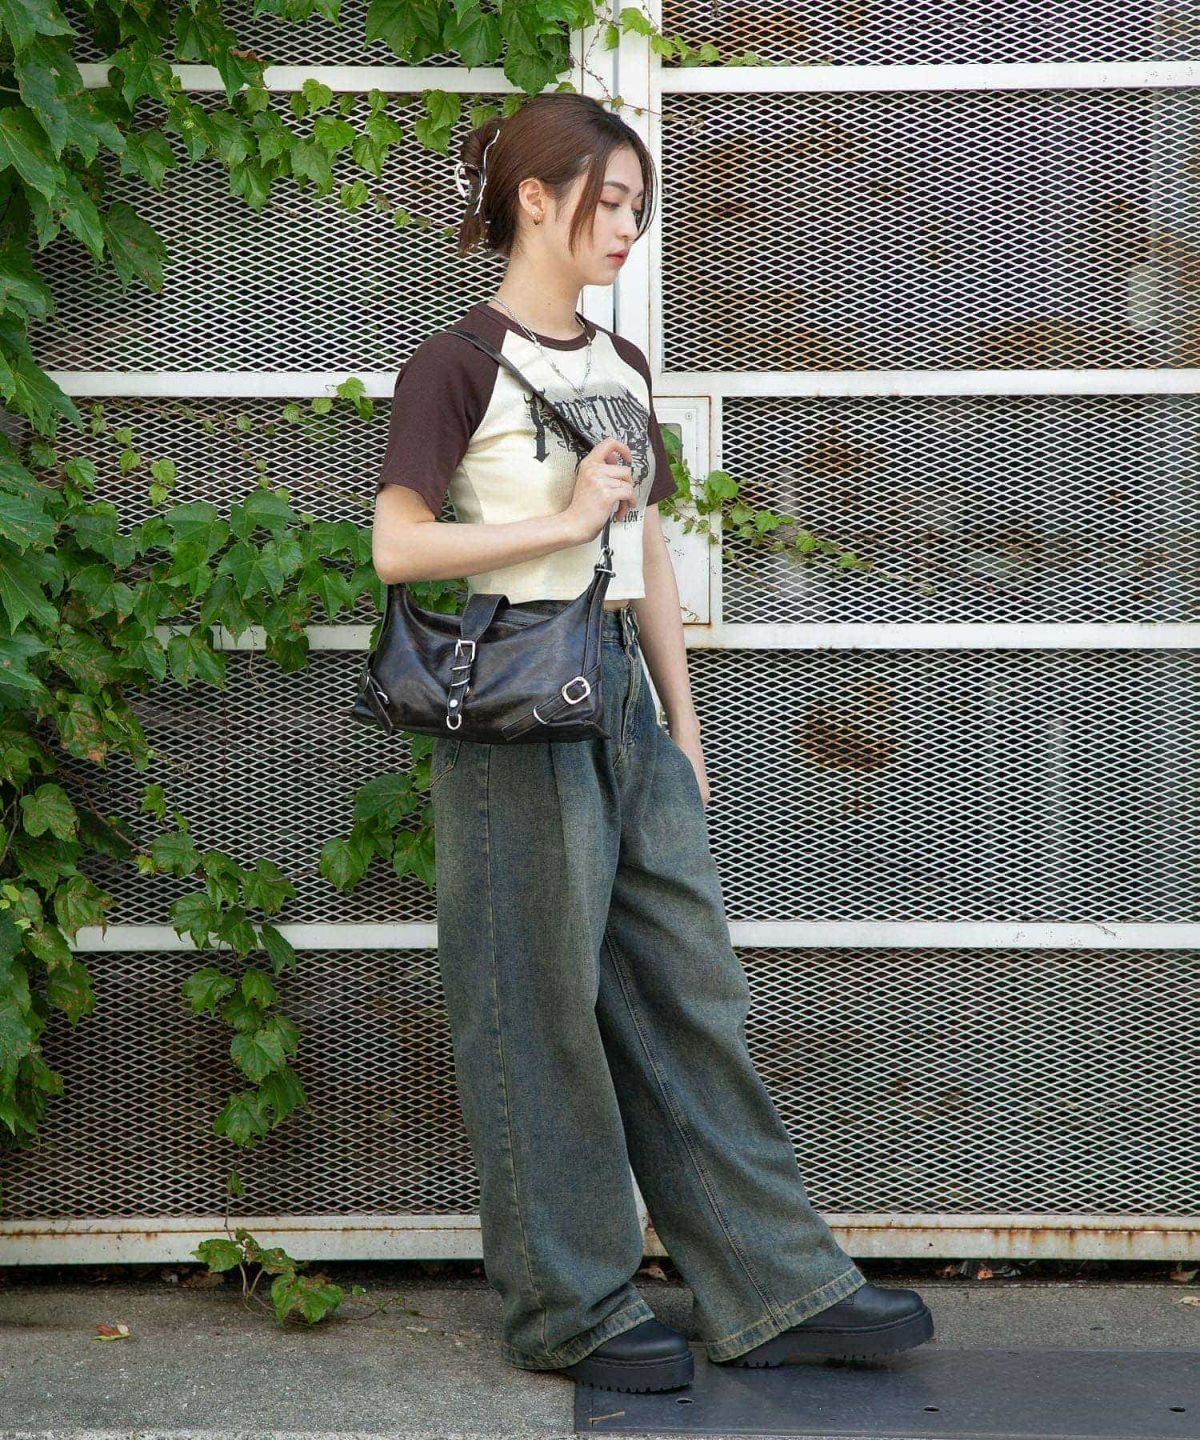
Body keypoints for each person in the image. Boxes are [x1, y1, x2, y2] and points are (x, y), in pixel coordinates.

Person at [371, 91, 933, 1394]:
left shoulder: (621, 366)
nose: (629, 226)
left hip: (619, 694)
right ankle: (569, 1307)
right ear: (534, 199)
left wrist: (682, 723)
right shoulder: (455, 365)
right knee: (536, 1008)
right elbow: (397, 546)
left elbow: (652, 555)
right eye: (609, 201)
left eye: (639, 204)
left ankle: (774, 1287)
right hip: (514, 704)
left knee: (689, 984)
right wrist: (563, 519)